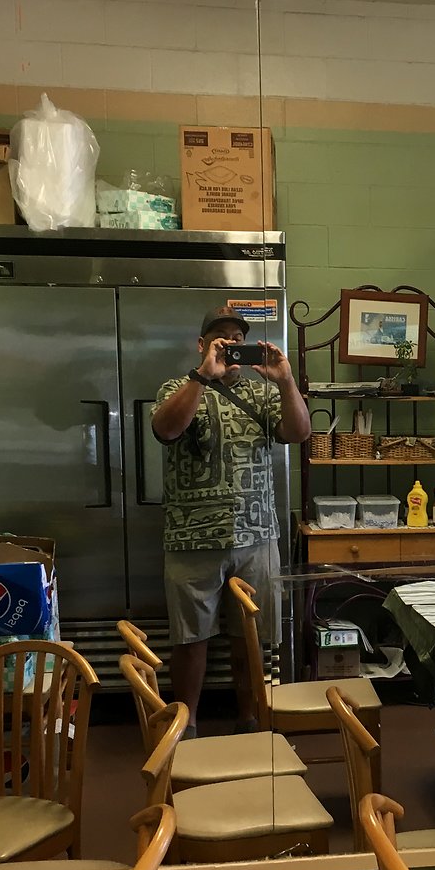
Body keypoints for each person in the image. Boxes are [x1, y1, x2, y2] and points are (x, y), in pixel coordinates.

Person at [150, 305, 310, 735]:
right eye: (221, 337)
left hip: (257, 535)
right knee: (190, 640)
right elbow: (166, 429)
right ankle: (187, 727)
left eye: (238, 338)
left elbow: (299, 433)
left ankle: (251, 721)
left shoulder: (262, 393)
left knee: (252, 638)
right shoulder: (178, 387)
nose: (231, 344)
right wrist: (203, 376)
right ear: (202, 345)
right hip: (191, 538)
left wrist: (285, 380)